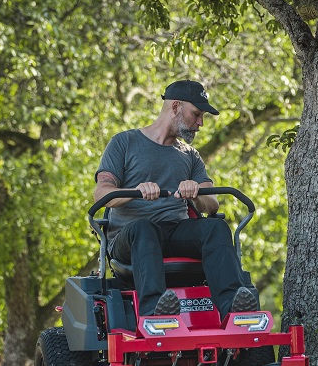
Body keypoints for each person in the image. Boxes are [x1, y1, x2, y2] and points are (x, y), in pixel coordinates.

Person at [93, 79, 258, 317]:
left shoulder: (190, 155)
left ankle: (233, 306)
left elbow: (212, 205)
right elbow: (102, 194)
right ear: (175, 106)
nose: (200, 123)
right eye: (197, 114)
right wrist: (135, 192)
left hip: (175, 230)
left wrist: (197, 191)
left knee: (216, 227)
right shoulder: (124, 143)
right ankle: (155, 309)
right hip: (130, 238)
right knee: (144, 229)